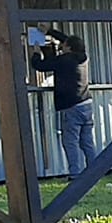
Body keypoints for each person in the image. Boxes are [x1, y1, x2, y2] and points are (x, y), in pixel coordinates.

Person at [31, 27, 95, 178]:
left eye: (64, 45)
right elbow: (69, 41)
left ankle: (75, 173)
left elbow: (40, 66)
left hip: (71, 105)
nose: (61, 46)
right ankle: (95, 170)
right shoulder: (83, 57)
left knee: (70, 141)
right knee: (87, 140)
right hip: (86, 103)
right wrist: (50, 31)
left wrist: (35, 53)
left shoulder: (64, 60)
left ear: (69, 48)